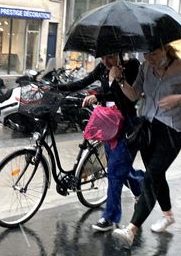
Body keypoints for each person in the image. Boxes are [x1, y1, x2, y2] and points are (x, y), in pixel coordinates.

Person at [111, 44, 181, 247]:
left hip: (173, 130)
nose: (150, 58)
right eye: (146, 54)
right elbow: (134, 95)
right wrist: (120, 79)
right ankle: (168, 215)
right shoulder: (146, 68)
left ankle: (131, 229)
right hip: (148, 129)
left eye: (154, 53)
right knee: (156, 175)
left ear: (166, 49)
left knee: (151, 177)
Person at [54, 52, 144, 232]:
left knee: (114, 171)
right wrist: (56, 88)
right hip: (110, 124)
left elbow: (127, 98)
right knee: (117, 168)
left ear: (119, 54)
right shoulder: (103, 67)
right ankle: (141, 186)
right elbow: (83, 82)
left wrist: (113, 81)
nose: (106, 61)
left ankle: (110, 217)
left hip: (127, 126)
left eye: (110, 57)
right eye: (103, 57)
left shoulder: (131, 66)